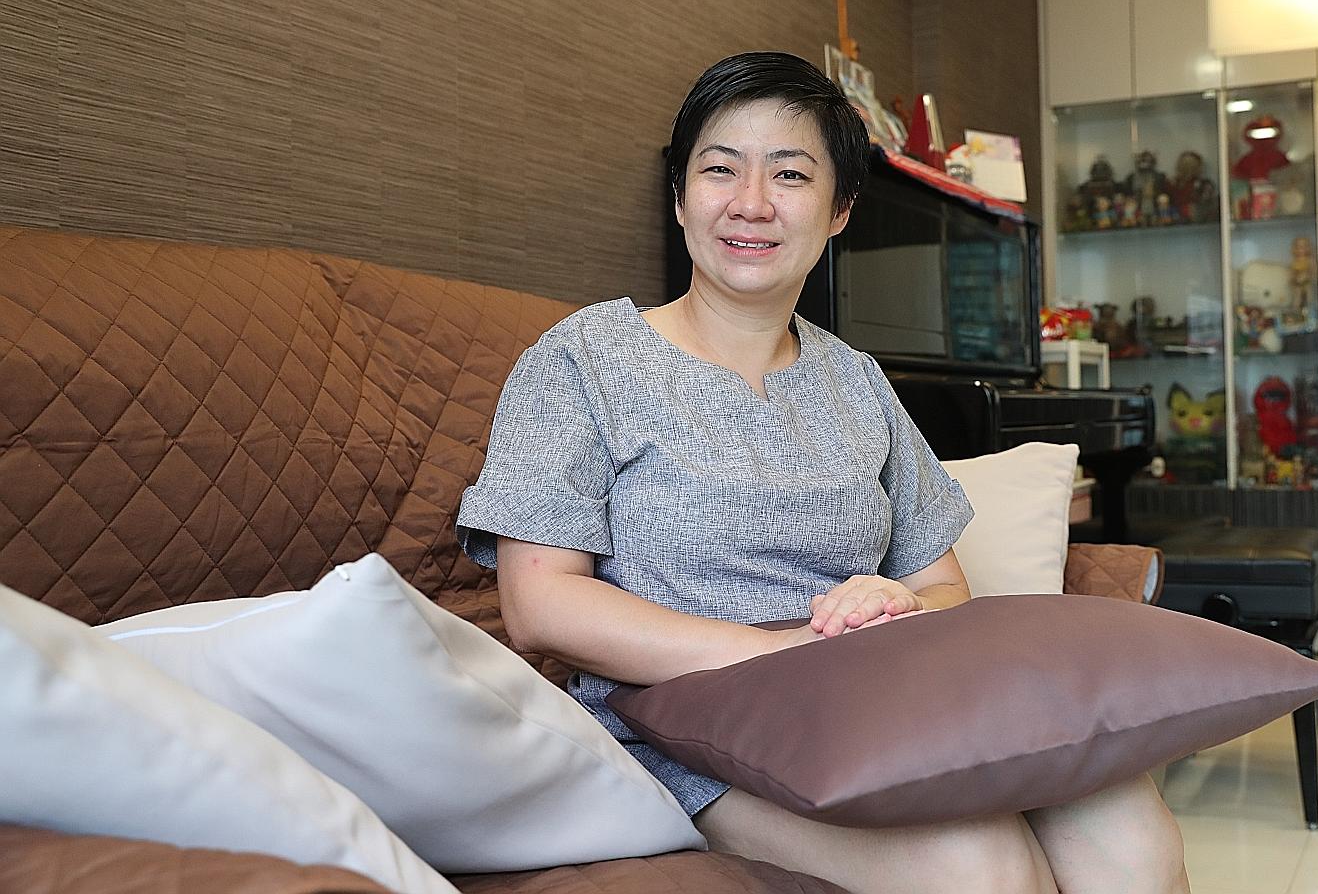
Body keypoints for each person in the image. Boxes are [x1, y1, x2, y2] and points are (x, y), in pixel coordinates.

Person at [457, 51, 1188, 894]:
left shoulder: (858, 380)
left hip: (871, 702)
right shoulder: (586, 358)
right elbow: (540, 603)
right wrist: (780, 656)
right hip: (688, 728)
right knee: (981, 867)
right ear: (680, 195)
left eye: (791, 174)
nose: (751, 203)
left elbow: (944, 588)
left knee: (1132, 836)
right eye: (720, 169)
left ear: (840, 209)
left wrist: (898, 602)